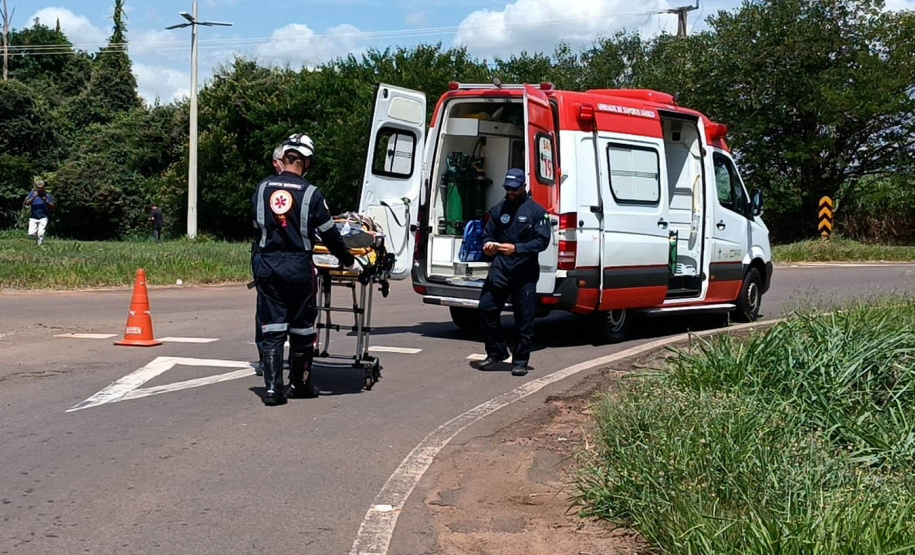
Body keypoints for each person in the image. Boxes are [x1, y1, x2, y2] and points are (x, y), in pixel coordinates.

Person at [251, 133, 356, 405]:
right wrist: (346, 259)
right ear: (307, 162)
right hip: (298, 266)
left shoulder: (262, 188)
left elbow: (256, 226)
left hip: (267, 264)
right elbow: (330, 234)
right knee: (301, 327)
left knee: (272, 326)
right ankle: (300, 384)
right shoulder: (311, 194)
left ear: (284, 158)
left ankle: (273, 390)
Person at [477, 168, 550, 376]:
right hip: (500, 268)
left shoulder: (536, 212)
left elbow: (542, 241)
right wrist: (488, 245)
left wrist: (517, 248)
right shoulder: (500, 209)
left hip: (524, 271)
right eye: (507, 188)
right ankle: (496, 351)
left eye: (514, 189)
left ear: (523, 187)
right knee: (486, 308)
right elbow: (487, 235)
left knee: (523, 318)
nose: (510, 192)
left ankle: (520, 360)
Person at [252, 145, 287, 377]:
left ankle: (296, 360)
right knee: (266, 309)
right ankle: (266, 357)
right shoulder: (265, 189)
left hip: (286, 257)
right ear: (276, 163)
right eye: (286, 159)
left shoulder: (300, 189)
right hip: (268, 255)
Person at [24, 179, 55, 246]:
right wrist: (33, 197)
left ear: (44, 188)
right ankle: (37, 239)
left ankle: (39, 246)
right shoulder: (32, 194)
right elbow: (27, 203)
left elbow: (52, 206)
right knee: (31, 234)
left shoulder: (47, 196)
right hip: (33, 217)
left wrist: (46, 201)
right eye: (38, 188)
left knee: (41, 233)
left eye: (41, 188)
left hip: (43, 217)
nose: (40, 190)